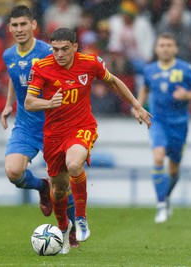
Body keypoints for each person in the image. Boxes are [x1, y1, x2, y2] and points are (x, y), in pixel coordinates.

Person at [25, 27, 152, 254]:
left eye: (65, 49)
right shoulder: (41, 67)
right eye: (55, 49)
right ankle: (64, 229)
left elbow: (113, 82)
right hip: (53, 134)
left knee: (74, 164)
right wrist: (49, 103)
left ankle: (81, 217)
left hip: (82, 127)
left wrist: (137, 106)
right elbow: (29, 102)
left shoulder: (90, 63)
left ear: (75, 47)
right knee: (58, 189)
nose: (60, 54)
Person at [0, 6, 79, 248]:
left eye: (23, 24)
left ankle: (72, 229)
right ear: (9, 28)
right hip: (26, 125)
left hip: (54, 125)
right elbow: (17, 80)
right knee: (13, 171)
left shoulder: (48, 51)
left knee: (61, 187)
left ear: (34, 25)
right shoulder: (9, 55)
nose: (19, 29)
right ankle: (40, 186)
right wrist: (8, 105)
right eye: (15, 25)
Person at [136, 32, 191, 223]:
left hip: (179, 124)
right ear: (156, 49)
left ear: (175, 48)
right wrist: (138, 106)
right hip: (158, 122)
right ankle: (160, 205)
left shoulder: (185, 69)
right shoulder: (149, 70)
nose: (165, 48)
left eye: (169, 45)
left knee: (173, 169)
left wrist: (187, 95)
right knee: (158, 157)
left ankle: (166, 198)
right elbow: (145, 88)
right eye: (162, 45)